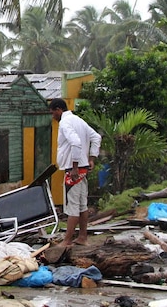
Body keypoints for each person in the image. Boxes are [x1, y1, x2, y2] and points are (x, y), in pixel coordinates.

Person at [50, 98, 101, 247]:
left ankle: (67, 241)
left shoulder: (65, 123)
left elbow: (76, 142)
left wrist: (74, 167)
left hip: (74, 171)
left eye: (53, 112)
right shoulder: (78, 120)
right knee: (82, 205)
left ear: (59, 109)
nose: (53, 116)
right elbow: (96, 137)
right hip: (83, 168)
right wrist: (91, 158)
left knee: (72, 206)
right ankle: (82, 237)